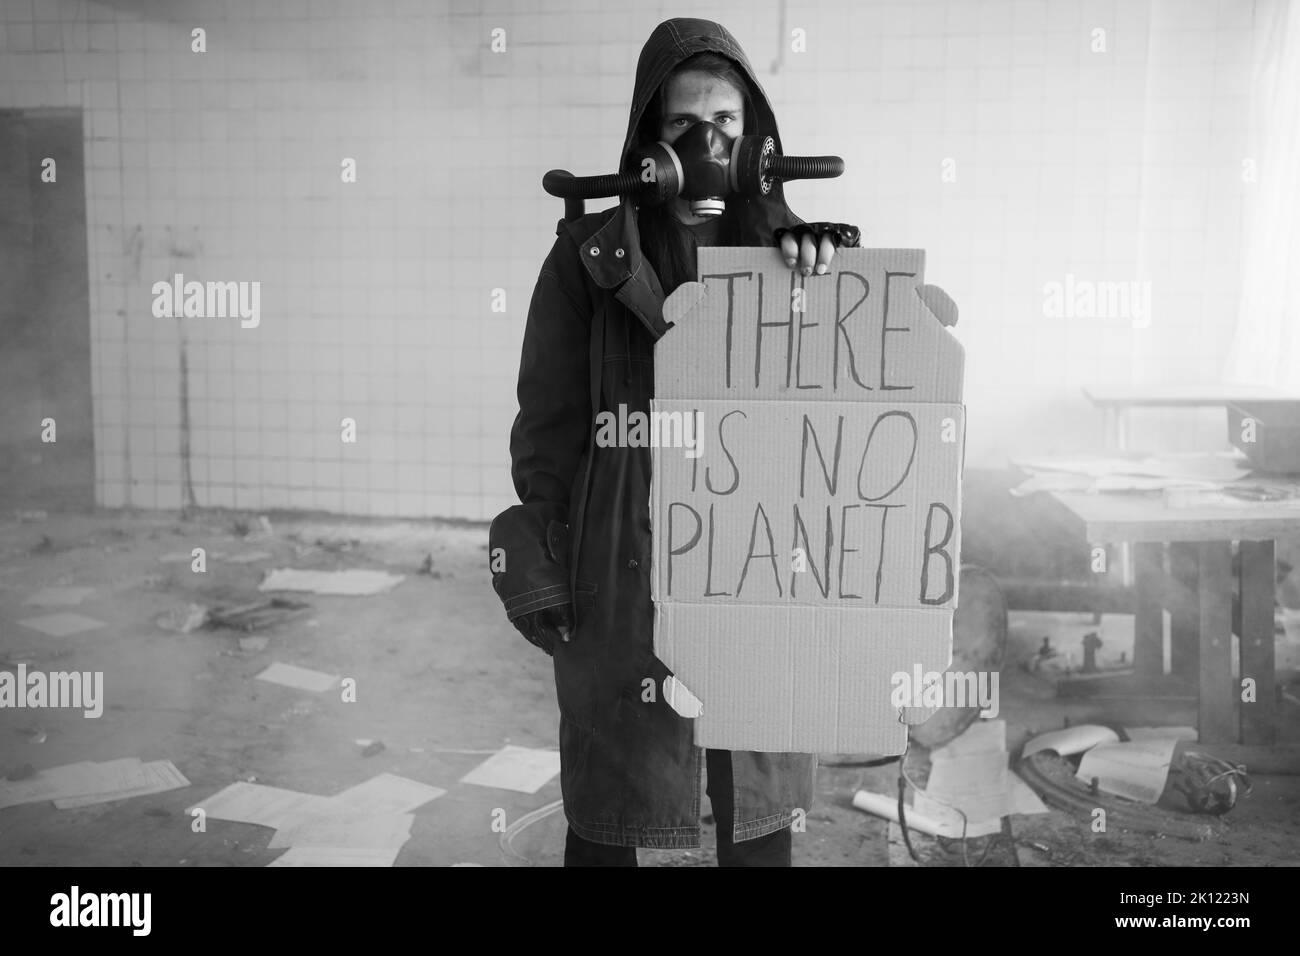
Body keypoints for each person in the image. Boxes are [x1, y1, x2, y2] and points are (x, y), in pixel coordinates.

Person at [489, 17, 861, 867]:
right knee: (615, 779)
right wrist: (549, 544)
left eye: (728, 124)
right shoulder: (587, 261)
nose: (707, 141)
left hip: (752, 549)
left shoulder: (791, 252)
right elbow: (545, 420)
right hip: (622, 548)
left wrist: (828, 263)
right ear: (647, 139)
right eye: (685, 122)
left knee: (755, 781)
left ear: (757, 139)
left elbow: (845, 390)